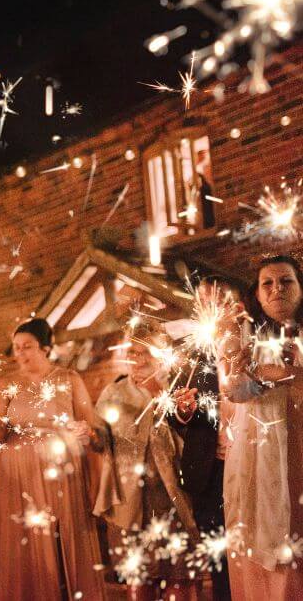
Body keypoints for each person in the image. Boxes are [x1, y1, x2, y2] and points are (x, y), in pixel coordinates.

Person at [0, 318, 105, 601]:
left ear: (46, 348)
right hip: (16, 472)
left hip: (58, 468)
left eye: (28, 347)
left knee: (60, 535)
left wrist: (85, 431)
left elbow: (92, 425)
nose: (21, 354)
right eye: (16, 348)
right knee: (23, 539)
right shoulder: (7, 384)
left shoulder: (69, 379)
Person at [94, 321, 198, 600]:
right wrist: (89, 435)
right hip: (132, 501)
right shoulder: (112, 394)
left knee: (180, 576)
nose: (138, 359)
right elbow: (100, 438)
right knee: (139, 578)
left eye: (145, 352)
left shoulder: (179, 389)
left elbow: (194, 437)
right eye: (132, 352)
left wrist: (158, 395)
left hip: (173, 496)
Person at [221, 255, 303, 600]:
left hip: (298, 444)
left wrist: (276, 374)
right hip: (258, 451)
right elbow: (234, 392)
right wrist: (245, 372)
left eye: (286, 281)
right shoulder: (244, 337)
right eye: (267, 283)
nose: (276, 290)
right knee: (260, 534)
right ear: (256, 293)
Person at [165, 275, 241, 601]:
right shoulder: (190, 352)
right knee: (219, 555)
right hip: (210, 470)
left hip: (252, 462)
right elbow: (171, 411)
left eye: (215, 299)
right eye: (202, 301)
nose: (207, 307)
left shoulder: (255, 342)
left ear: (233, 303)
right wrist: (183, 409)